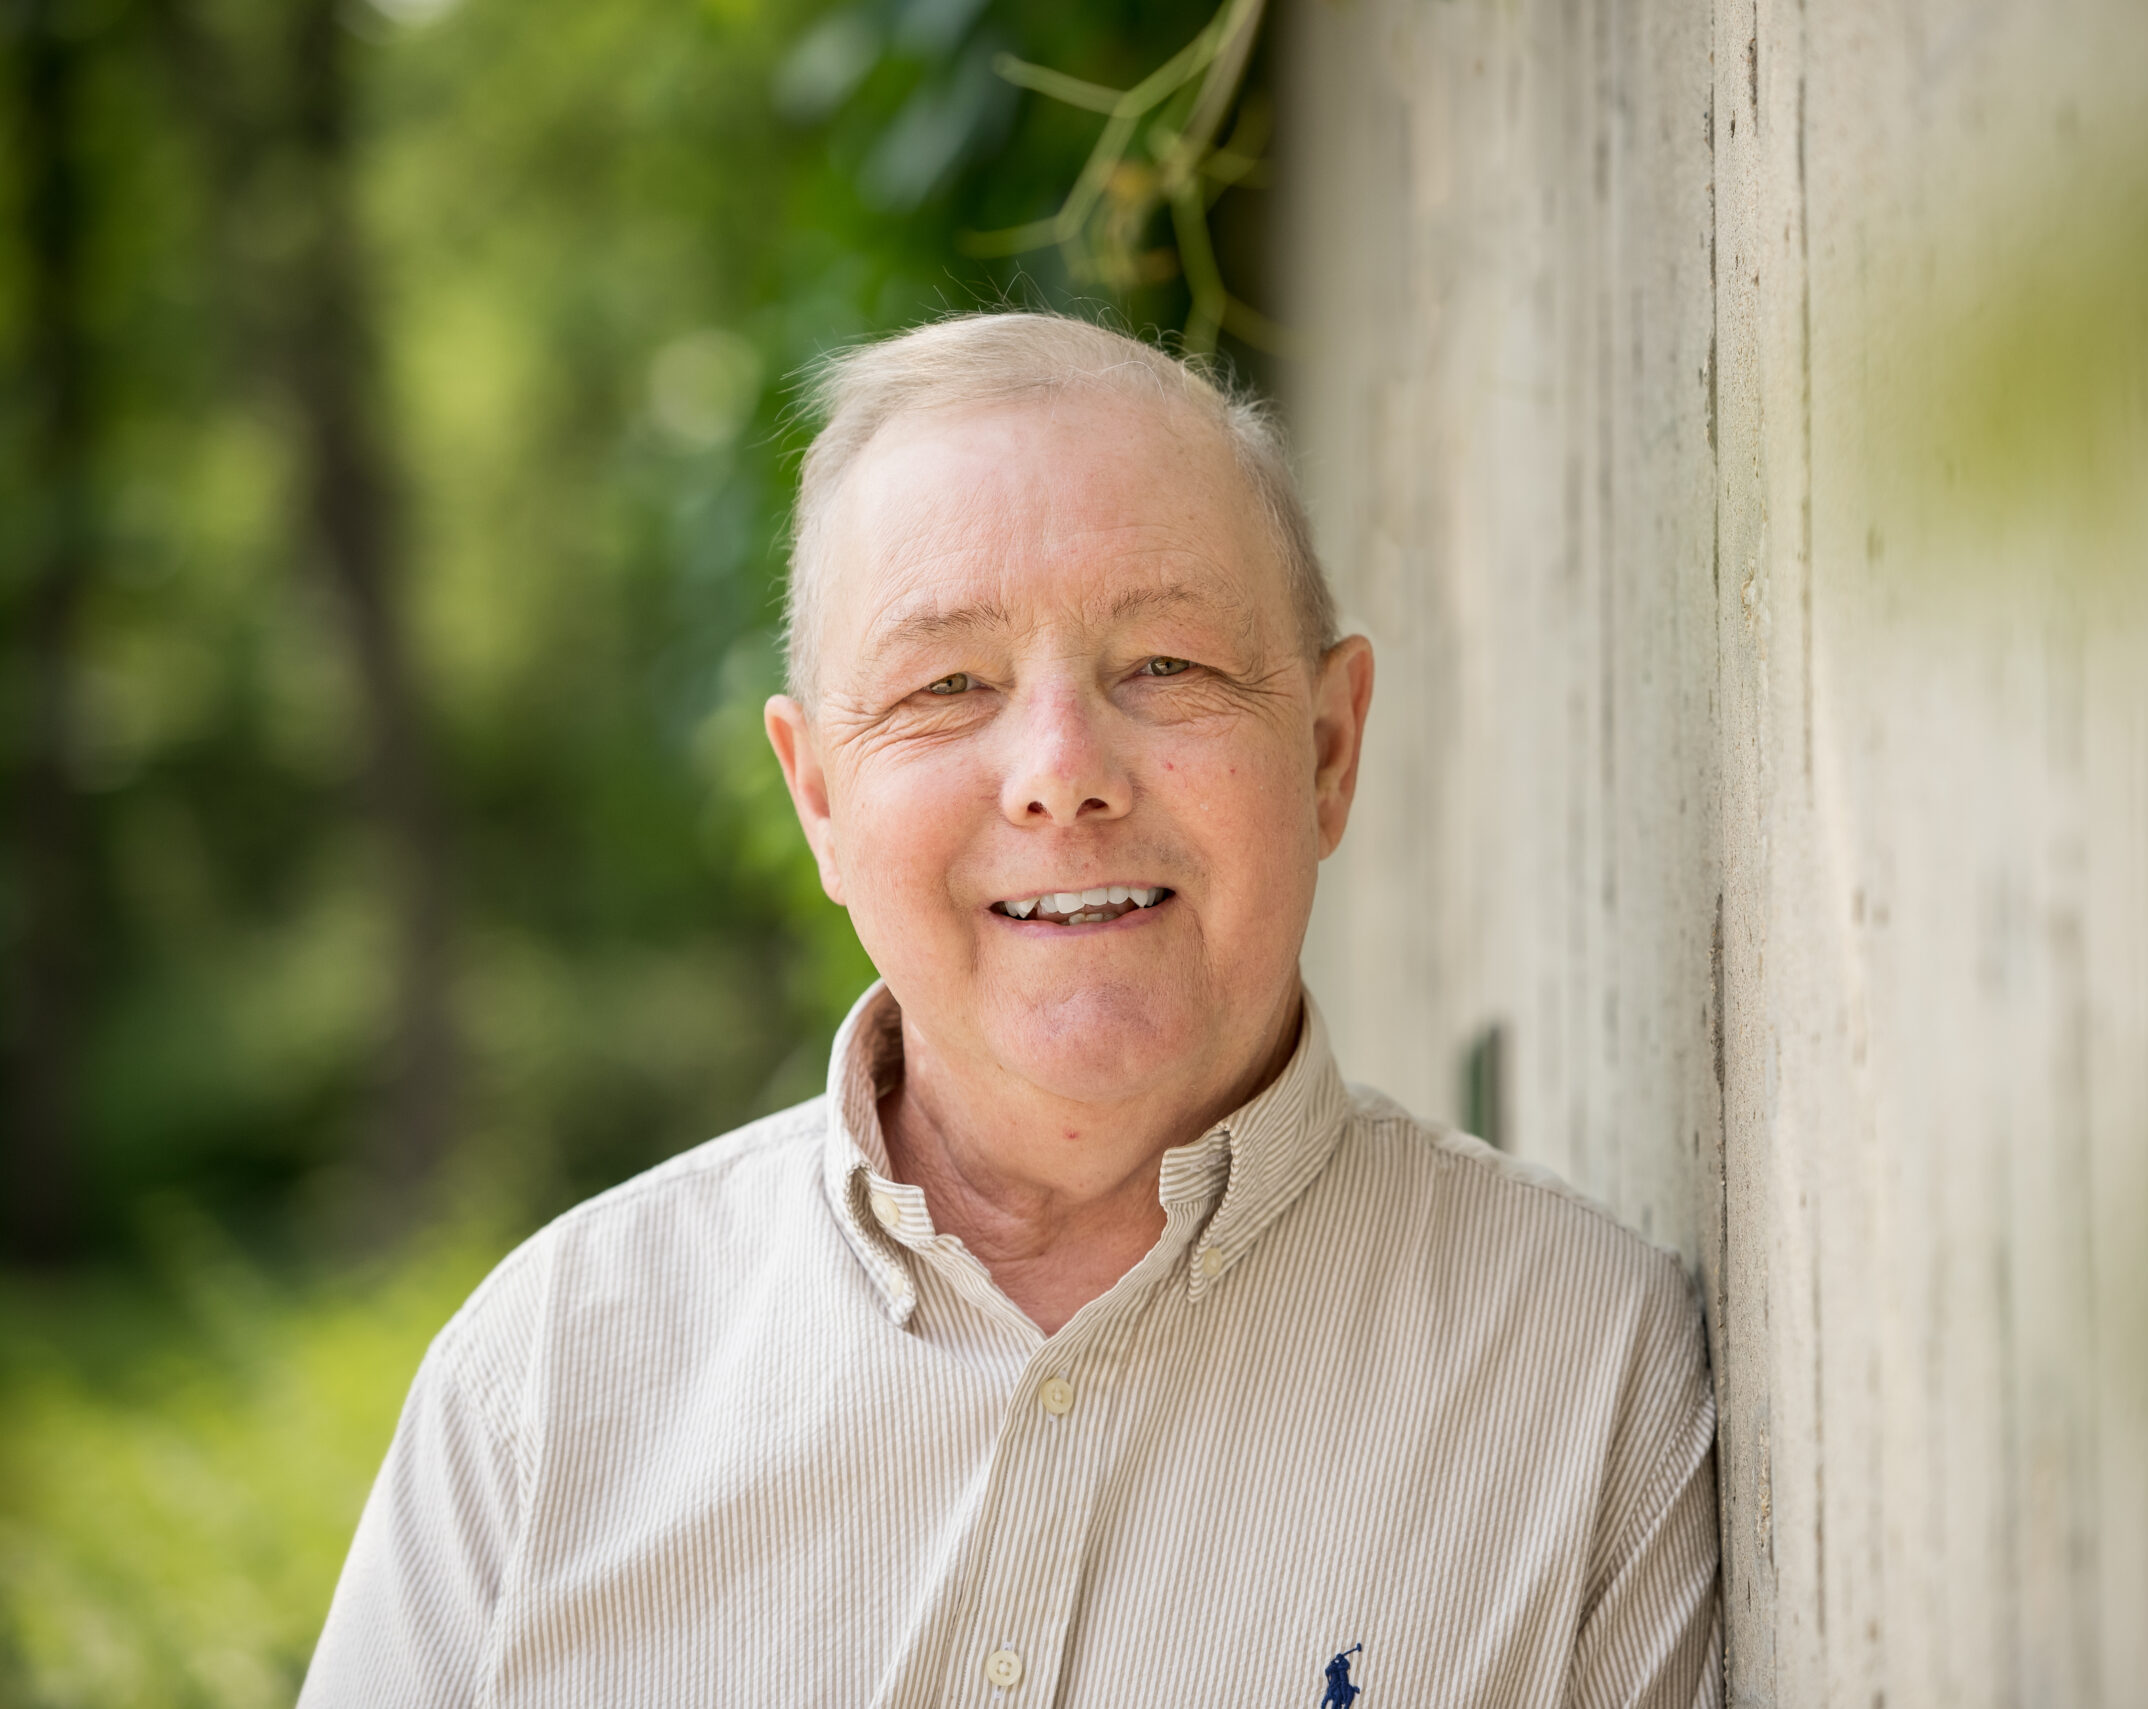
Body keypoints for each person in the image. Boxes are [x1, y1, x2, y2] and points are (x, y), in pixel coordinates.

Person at [301, 313, 1718, 1708]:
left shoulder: (1587, 1373)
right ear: (819, 798)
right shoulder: (541, 1389)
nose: (1060, 770)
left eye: (1166, 664)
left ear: (1330, 749)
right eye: (948, 684)